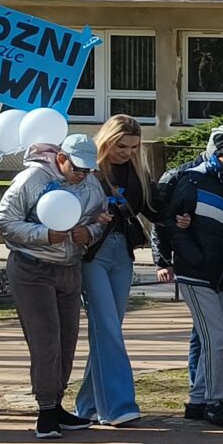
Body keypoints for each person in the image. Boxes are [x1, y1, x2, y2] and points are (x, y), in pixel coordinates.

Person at [0, 133, 103, 438]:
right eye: (78, 168)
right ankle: (45, 410)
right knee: (46, 340)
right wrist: (43, 234)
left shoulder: (91, 184)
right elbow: (2, 221)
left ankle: (57, 405)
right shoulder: (32, 179)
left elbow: (99, 219)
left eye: (89, 170)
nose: (83, 175)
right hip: (32, 268)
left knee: (67, 340)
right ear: (61, 158)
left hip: (69, 268)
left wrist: (89, 233)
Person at [160, 125, 223, 431]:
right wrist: (191, 259)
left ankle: (198, 400)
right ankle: (214, 402)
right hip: (197, 275)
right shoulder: (193, 179)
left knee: (217, 337)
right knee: (216, 337)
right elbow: (169, 223)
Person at [71, 116, 153, 427]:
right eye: (121, 146)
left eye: (133, 147)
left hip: (123, 253)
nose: (127, 152)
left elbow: (154, 207)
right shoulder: (89, 170)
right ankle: (118, 406)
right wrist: (92, 219)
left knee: (110, 328)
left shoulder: (137, 172)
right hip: (93, 253)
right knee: (107, 327)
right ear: (106, 140)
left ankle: (88, 404)